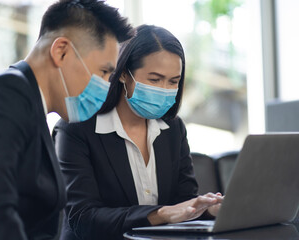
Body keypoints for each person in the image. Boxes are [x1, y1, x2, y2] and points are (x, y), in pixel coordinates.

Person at [0, 0, 133, 239]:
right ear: (61, 51)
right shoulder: (4, 96)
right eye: (104, 72)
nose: (105, 85)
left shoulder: (27, 104)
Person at [53, 24, 223, 240]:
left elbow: (184, 202)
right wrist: (161, 214)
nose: (164, 89)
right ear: (123, 73)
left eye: (174, 81)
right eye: (154, 79)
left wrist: (209, 209)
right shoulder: (75, 129)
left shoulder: (172, 128)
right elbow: (83, 218)